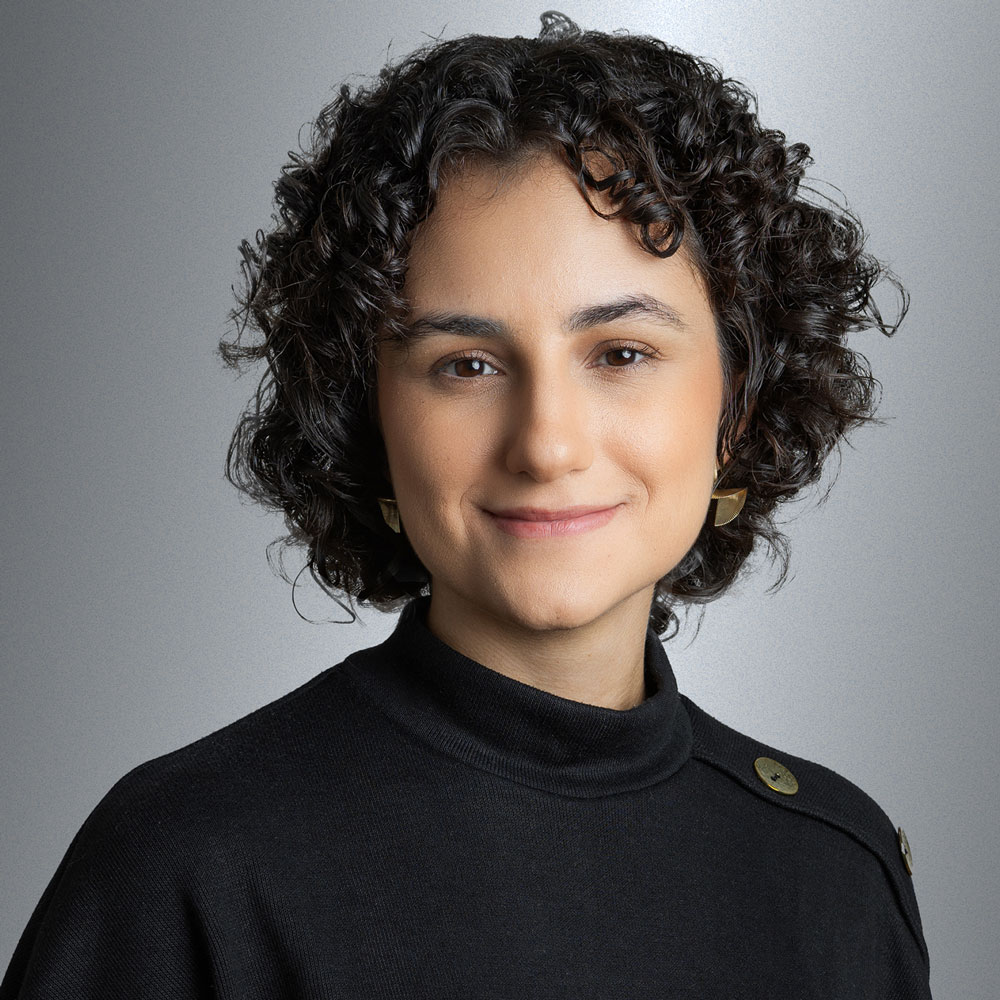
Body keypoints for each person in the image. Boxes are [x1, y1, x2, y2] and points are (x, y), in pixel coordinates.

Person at [0, 11, 932, 997]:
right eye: (467, 364)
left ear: (736, 404)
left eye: (620, 354)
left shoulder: (835, 868)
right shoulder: (189, 864)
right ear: (367, 413)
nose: (546, 445)